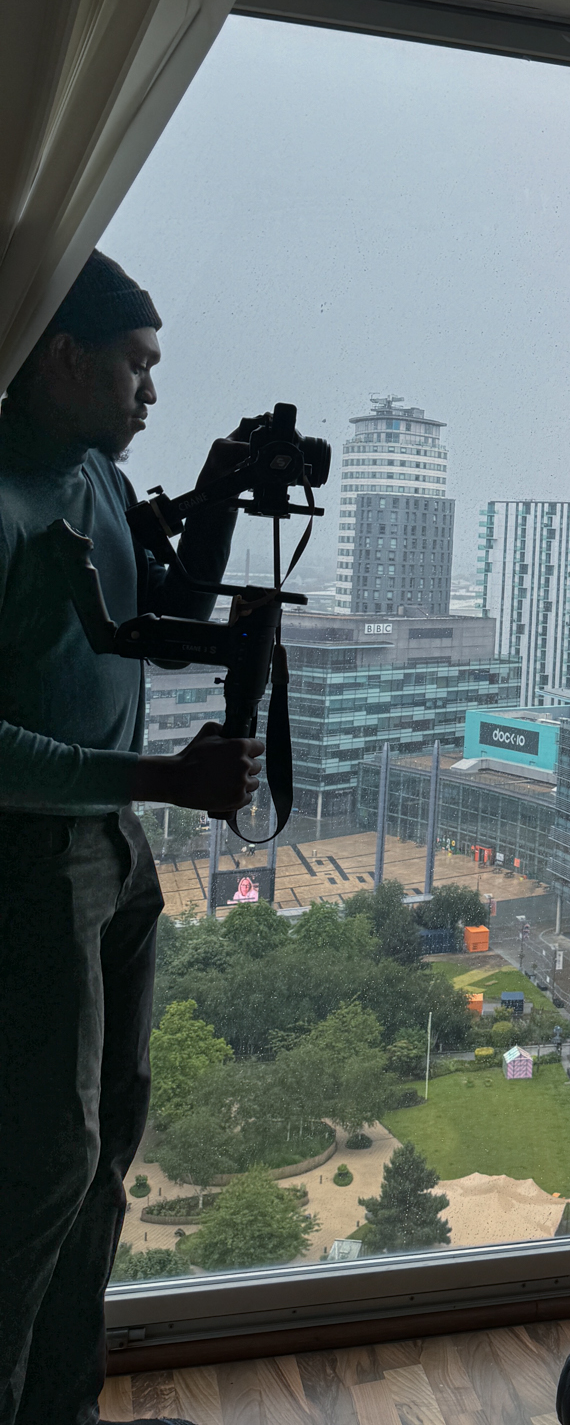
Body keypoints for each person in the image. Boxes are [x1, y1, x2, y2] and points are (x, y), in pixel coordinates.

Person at [0, 251, 264, 1425]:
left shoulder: (97, 480)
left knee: (108, 1144)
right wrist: (158, 775)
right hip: (26, 864)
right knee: (42, 1168)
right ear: (63, 356)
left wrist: (215, 495)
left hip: (111, 847)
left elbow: (169, 618)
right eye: (135, 366)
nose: (150, 392)